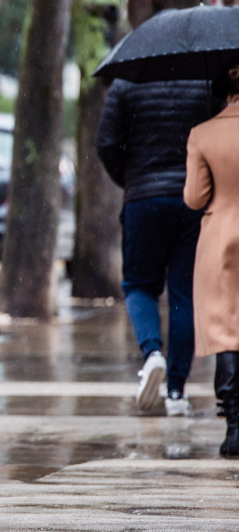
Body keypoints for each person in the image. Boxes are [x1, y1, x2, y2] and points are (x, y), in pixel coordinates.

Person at [97, 79, 219, 416]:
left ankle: (152, 353)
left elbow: (106, 143)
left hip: (143, 198)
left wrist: (131, 177)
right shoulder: (203, 80)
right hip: (191, 200)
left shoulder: (126, 82)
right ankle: (176, 392)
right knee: (183, 292)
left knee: (139, 285)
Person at [183, 66, 239, 458]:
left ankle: (234, 426)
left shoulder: (202, 134)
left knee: (226, 332)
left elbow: (194, 198)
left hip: (221, 240)